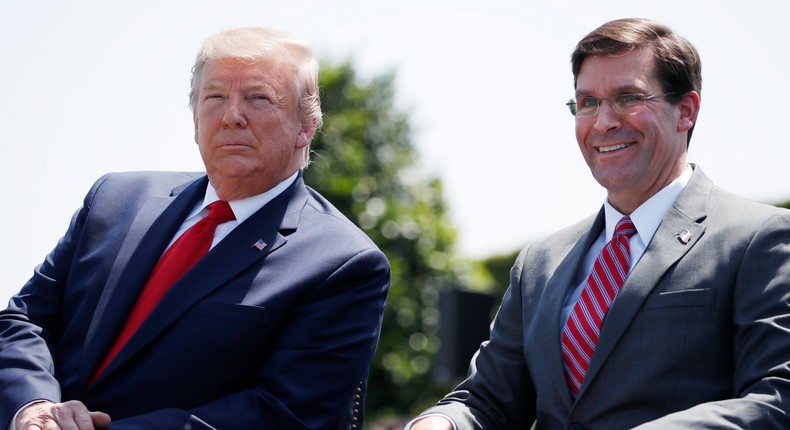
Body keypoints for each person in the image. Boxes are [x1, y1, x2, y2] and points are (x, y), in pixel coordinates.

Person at [0, 27, 391, 429]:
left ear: (306, 126)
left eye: (259, 98)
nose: (232, 115)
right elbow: (25, 320)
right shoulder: (114, 199)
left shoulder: (342, 263)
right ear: (194, 117)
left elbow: (282, 413)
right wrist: (34, 407)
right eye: (216, 97)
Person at [409, 17, 790, 429]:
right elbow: (488, 400)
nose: (603, 121)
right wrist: (440, 423)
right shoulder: (539, 263)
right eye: (587, 102)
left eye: (628, 98)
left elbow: (776, 398)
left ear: (686, 111)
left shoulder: (760, 238)